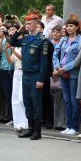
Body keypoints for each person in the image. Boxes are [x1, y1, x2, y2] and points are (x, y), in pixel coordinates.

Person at [10, 12, 49, 140]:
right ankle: (30, 128)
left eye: (29, 23)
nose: (27, 26)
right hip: (25, 75)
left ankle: (37, 131)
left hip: (35, 75)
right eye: (26, 23)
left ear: (37, 24)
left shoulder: (43, 41)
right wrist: (20, 30)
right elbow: (13, 41)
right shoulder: (25, 38)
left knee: (36, 103)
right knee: (27, 102)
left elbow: (44, 62)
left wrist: (41, 79)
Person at [53, 19, 81, 135]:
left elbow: (78, 60)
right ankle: (68, 125)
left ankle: (74, 127)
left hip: (73, 73)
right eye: (67, 26)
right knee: (67, 100)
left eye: (71, 26)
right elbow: (55, 54)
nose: (68, 28)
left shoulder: (80, 40)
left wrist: (64, 68)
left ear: (76, 27)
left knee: (74, 101)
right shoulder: (63, 39)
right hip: (61, 73)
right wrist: (56, 67)